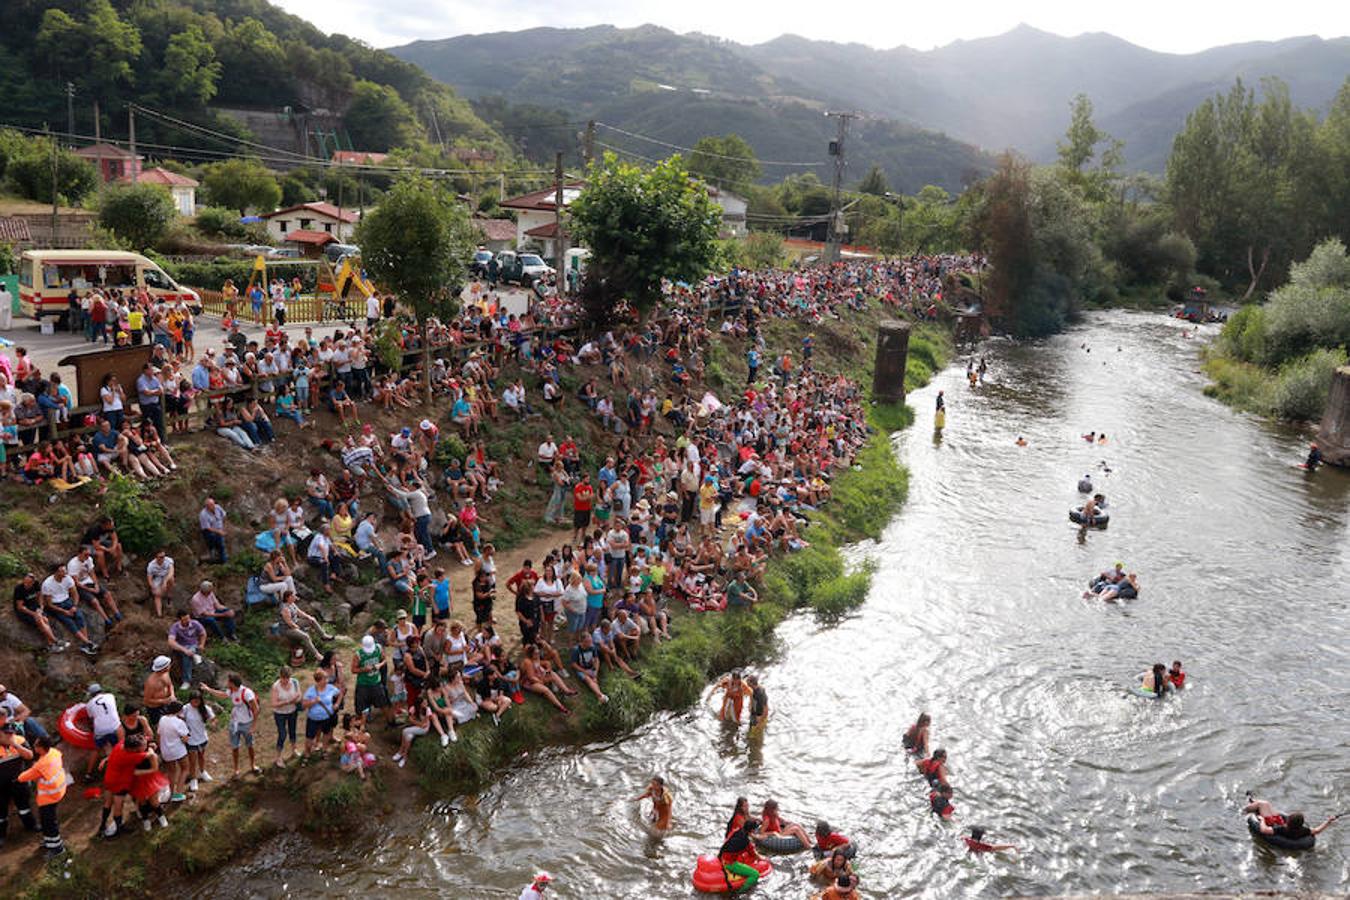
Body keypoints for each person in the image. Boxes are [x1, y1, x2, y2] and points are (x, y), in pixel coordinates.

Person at [200, 674, 260, 778]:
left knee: (250, 745)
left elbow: (256, 709)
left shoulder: (247, 693)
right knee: (234, 746)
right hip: (234, 723)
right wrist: (208, 689)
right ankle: (236, 769)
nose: (226, 683)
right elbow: (222, 694)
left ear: (232, 683)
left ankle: (253, 765)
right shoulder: (231, 691)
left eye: (228, 682)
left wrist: (253, 725)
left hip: (246, 723)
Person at [17, 735, 66, 857]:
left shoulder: (41, 765)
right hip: (58, 791)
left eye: (35, 745)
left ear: (41, 748)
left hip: (49, 798)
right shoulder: (54, 752)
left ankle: (57, 848)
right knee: (46, 821)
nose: (33, 747)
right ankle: (49, 841)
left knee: (49, 822)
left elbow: (22, 777)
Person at [1243, 797, 1338, 844]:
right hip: (1278, 821)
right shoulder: (1303, 830)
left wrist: (1262, 820)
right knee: (1266, 804)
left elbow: (1264, 830)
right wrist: (1329, 821)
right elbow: (1317, 830)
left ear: (1288, 822)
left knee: (1262, 803)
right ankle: (1255, 803)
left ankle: (1245, 809)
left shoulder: (1282, 829)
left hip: (1271, 823)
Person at [156, 701, 191, 803]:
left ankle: (171, 793)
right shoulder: (179, 722)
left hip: (166, 750)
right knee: (185, 769)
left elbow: (158, 735)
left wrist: (161, 747)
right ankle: (178, 792)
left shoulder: (162, 719)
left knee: (171, 772)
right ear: (179, 711)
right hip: (178, 750)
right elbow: (185, 739)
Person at [302, 669, 341, 756]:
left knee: (326, 734)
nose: (327, 681)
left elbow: (340, 692)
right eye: (325, 679)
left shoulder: (330, 688)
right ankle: (307, 752)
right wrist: (314, 701)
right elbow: (304, 705)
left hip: (326, 717)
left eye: (327, 678)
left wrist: (337, 704)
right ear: (318, 680)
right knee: (309, 738)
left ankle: (324, 750)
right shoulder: (311, 691)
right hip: (313, 718)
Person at [719, 817, 763, 893]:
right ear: (752, 830)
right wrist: (764, 859)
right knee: (755, 874)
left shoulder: (737, 831)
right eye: (755, 829)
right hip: (729, 864)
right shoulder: (746, 842)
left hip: (722, 856)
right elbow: (755, 855)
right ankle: (740, 893)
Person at [167, 609, 208, 691]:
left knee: (188, 653)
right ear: (180, 619)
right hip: (181, 646)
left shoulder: (195, 623)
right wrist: (184, 650)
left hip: (193, 645)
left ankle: (186, 680)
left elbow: (203, 633)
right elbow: (171, 641)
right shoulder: (175, 627)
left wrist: (202, 644)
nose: (188, 621)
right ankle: (194, 656)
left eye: (188, 618)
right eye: (185, 619)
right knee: (187, 653)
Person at [569, 631, 608, 704]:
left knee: (594, 679)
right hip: (581, 669)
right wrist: (584, 671)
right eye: (588, 642)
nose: (590, 643)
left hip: (591, 667)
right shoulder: (576, 650)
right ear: (583, 642)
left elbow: (597, 660)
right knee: (588, 679)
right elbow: (573, 664)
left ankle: (600, 697)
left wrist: (596, 671)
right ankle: (600, 695)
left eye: (591, 641)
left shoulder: (592, 647)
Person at [145, 549, 175, 618]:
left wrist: (165, 581)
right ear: (156, 557)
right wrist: (153, 587)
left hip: (166, 576)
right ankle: (159, 614)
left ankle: (169, 596)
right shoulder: (151, 565)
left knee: (171, 579)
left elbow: (171, 572)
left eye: (164, 556)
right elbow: (149, 579)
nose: (163, 558)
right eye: (161, 557)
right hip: (157, 578)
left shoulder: (168, 560)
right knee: (157, 595)